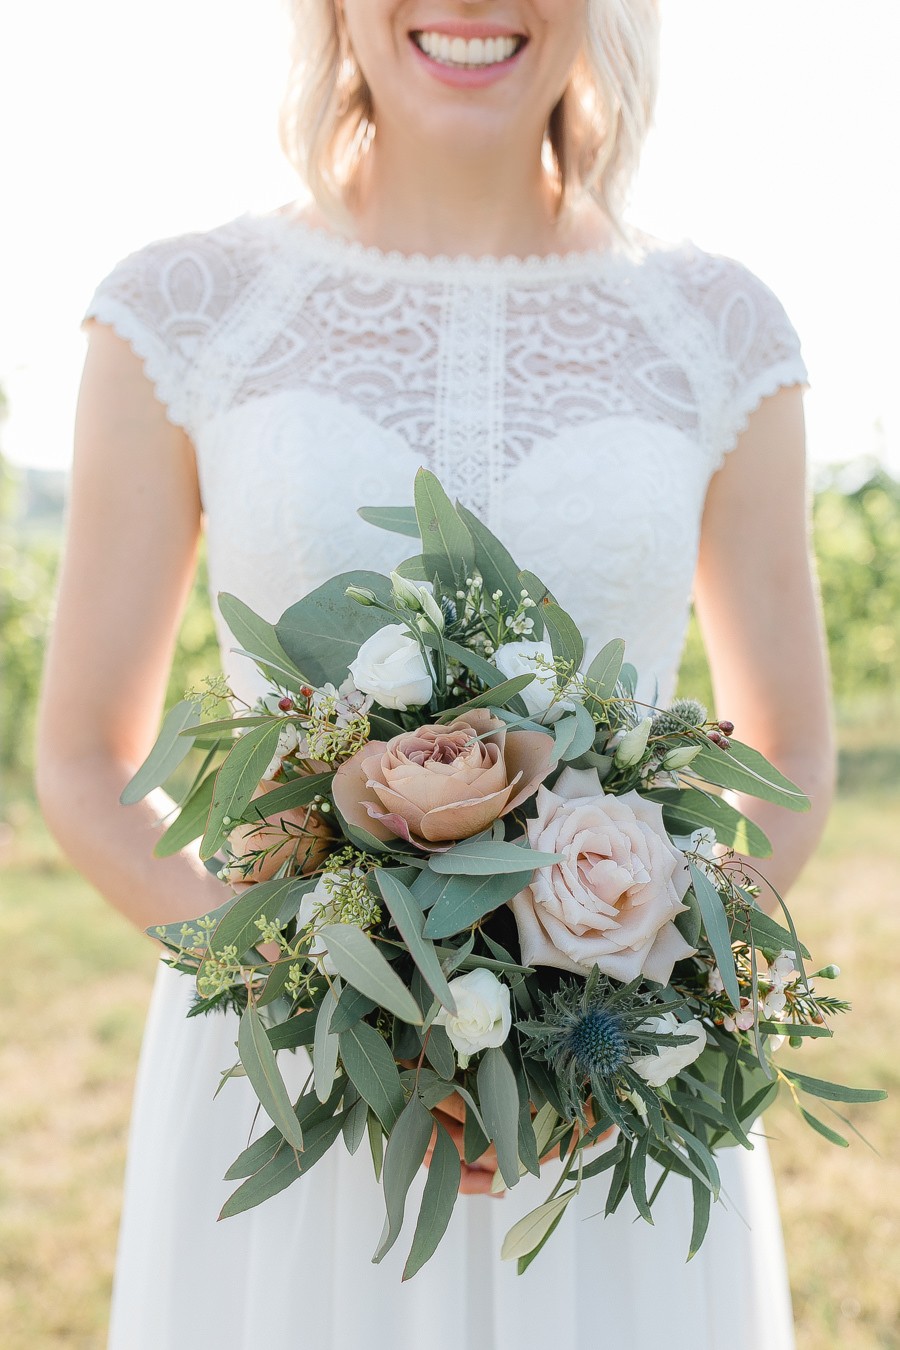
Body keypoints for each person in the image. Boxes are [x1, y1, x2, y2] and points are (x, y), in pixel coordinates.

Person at [37, 1, 835, 1346]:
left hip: (604, 1100)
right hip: (290, 1082)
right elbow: (81, 751)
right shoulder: (185, 310)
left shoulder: (718, 331)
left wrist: (625, 1003)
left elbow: (795, 752)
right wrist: (310, 983)